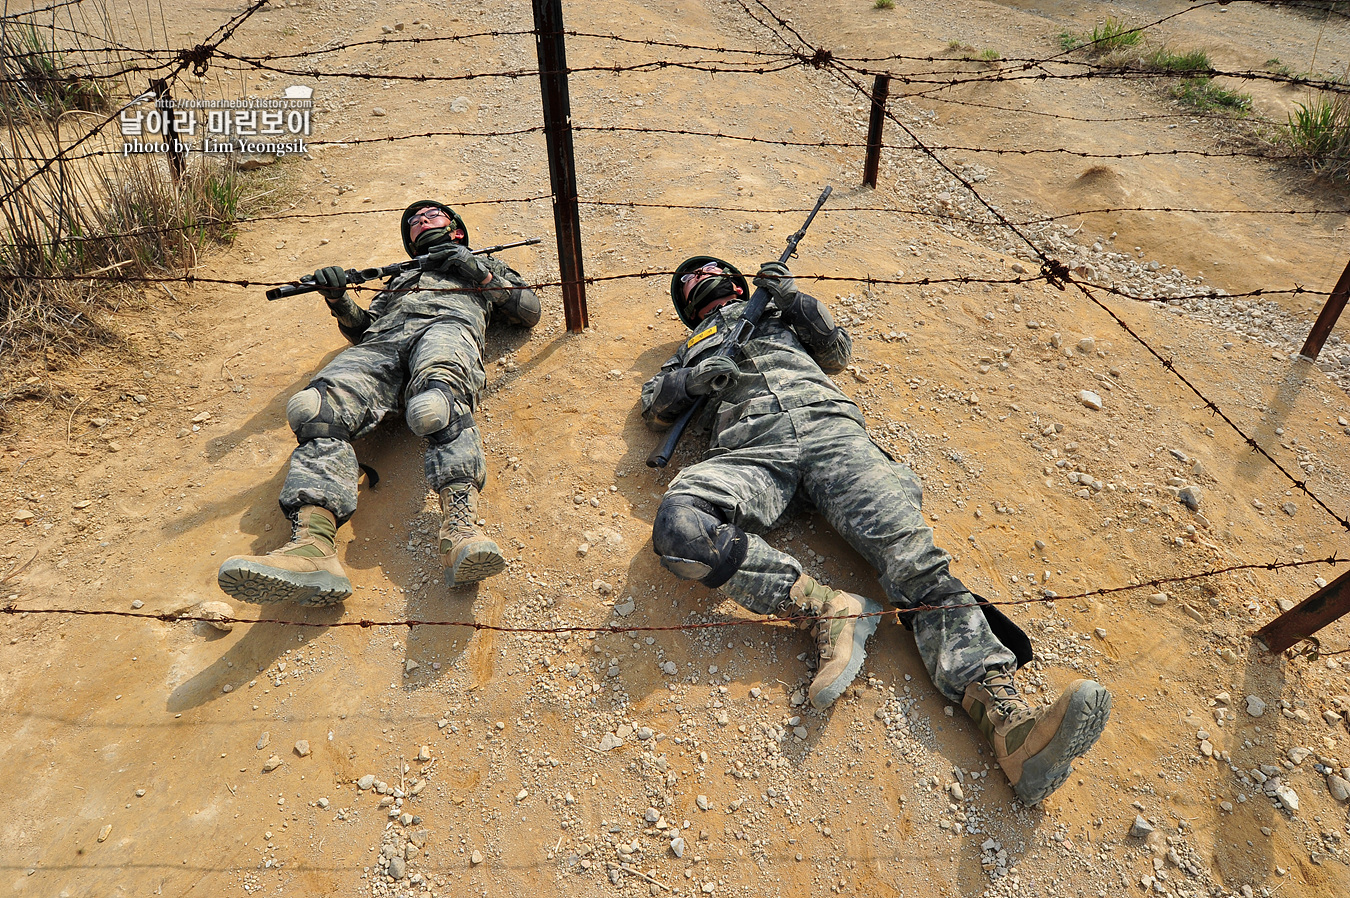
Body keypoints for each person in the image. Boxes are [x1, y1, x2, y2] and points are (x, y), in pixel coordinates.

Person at [640, 255, 1111, 804]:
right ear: (684, 303)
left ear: (739, 280)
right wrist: (692, 379)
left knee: (914, 564)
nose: (700, 279)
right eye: (688, 280)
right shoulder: (688, 350)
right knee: (680, 525)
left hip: (833, 434)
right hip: (751, 450)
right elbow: (655, 405)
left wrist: (794, 300)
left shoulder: (779, 313)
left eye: (709, 270)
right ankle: (823, 608)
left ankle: (1010, 727)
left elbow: (836, 352)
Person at [217, 201, 540, 605]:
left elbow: (528, 310)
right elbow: (365, 329)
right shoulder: (400, 279)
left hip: (446, 330)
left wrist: (475, 270)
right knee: (314, 409)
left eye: (431, 216)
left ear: (455, 227)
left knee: (436, 405)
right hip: (383, 345)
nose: (421, 221)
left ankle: (460, 534)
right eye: (413, 223)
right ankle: (312, 548)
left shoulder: (482, 262)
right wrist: (339, 301)